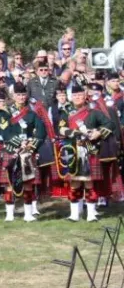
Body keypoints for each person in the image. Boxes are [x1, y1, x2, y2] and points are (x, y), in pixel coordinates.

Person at [59, 83, 114, 222]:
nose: (77, 97)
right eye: (75, 95)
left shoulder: (93, 111)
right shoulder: (66, 112)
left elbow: (109, 124)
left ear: (85, 96)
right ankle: (74, 214)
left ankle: (91, 214)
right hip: (72, 149)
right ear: (71, 97)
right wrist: (74, 133)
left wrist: (98, 132)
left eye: (80, 95)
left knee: (89, 183)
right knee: (74, 182)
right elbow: (60, 128)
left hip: (90, 150)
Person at [0, 86, 47, 222]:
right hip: (12, 151)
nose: (21, 97)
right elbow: (5, 132)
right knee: (9, 183)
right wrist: (18, 144)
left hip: (28, 152)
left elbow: (41, 132)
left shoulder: (32, 114)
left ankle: (28, 214)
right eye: (18, 94)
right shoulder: (5, 112)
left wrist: (31, 145)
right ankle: (9, 215)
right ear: (13, 96)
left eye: (23, 95)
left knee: (28, 183)